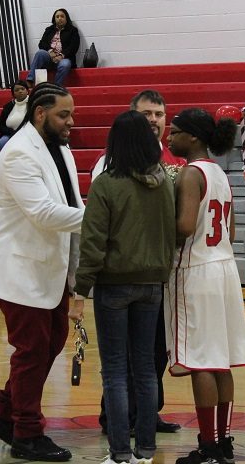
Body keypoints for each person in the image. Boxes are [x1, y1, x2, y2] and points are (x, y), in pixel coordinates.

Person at [0, 83, 85, 462]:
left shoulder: (62, 150)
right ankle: (26, 432)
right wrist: (102, 218)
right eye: (63, 115)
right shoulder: (20, 152)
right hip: (18, 269)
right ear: (40, 114)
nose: (71, 121)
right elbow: (43, 213)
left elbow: (69, 205)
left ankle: (4, 410)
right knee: (33, 350)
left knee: (52, 341)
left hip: (47, 270)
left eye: (71, 114)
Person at [69, 111, 176, 464]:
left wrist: (79, 291)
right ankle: (146, 450)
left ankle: (119, 454)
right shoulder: (164, 183)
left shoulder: (106, 183)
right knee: (145, 370)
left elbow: (93, 241)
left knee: (115, 371)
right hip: (152, 285)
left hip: (113, 286)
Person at [90, 89, 185, 436]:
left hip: (158, 273)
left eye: (159, 114)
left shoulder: (171, 159)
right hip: (123, 272)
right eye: (146, 114)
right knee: (124, 356)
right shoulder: (110, 163)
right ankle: (115, 417)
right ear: (132, 117)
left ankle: (147, 414)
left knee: (153, 351)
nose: (154, 121)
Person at [165, 108, 245, 464]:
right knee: (221, 362)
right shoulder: (220, 173)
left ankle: (208, 445)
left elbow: (185, 226)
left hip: (196, 270)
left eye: (175, 133)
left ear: (194, 138)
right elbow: (230, 232)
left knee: (201, 361)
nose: (169, 138)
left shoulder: (190, 174)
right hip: (225, 267)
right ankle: (224, 441)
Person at [26, 9, 81, 87]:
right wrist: (50, 51)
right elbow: (42, 43)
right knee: (40, 53)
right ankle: (30, 80)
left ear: (66, 18)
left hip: (63, 58)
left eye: (62, 16)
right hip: (49, 58)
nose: (59, 18)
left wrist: (61, 55)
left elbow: (74, 46)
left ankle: (56, 86)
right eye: (57, 16)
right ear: (54, 19)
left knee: (65, 64)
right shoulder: (49, 30)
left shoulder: (72, 30)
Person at [0, 80, 30, 149]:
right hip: (10, 134)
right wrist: (12, 133)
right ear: (13, 94)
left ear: (27, 91)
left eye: (22, 89)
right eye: (17, 90)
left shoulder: (33, 104)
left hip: (28, 134)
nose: (20, 91)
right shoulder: (9, 106)